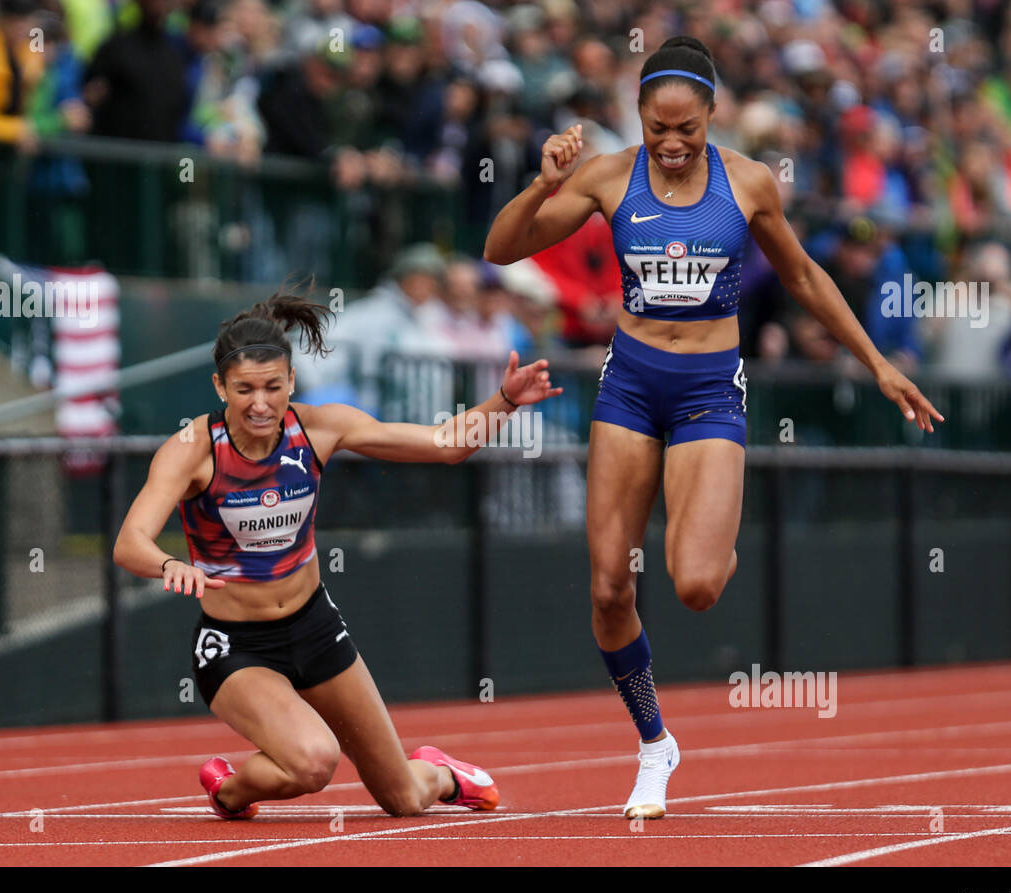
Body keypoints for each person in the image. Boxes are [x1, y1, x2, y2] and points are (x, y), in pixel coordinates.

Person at [483, 36, 943, 819]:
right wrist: (540, 184)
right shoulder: (606, 175)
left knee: (694, 584)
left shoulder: (750, 183)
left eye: (686, 129)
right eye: (657, 128)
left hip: (706, 389)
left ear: (711, 115)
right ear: (637, 115)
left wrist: (876, 363)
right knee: (606, 588)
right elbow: (500, 249)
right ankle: (655, 742)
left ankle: (716, 519)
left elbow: (801, 275)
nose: (669, 144)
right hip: (629, 384)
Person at [112, 290, 561, 818]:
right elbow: (129, 542)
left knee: (405, 800)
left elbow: (446, 444)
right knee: (313, 762)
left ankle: (439, 773)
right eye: (244, 390)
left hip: (316, 629)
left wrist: (502, 401)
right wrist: (169, 565)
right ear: (220, 387)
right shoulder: (192, 450)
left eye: (273, 387)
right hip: (236, 646)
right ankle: (231, 790)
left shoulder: (319, 428)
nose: (260, 404)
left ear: (292, 382)